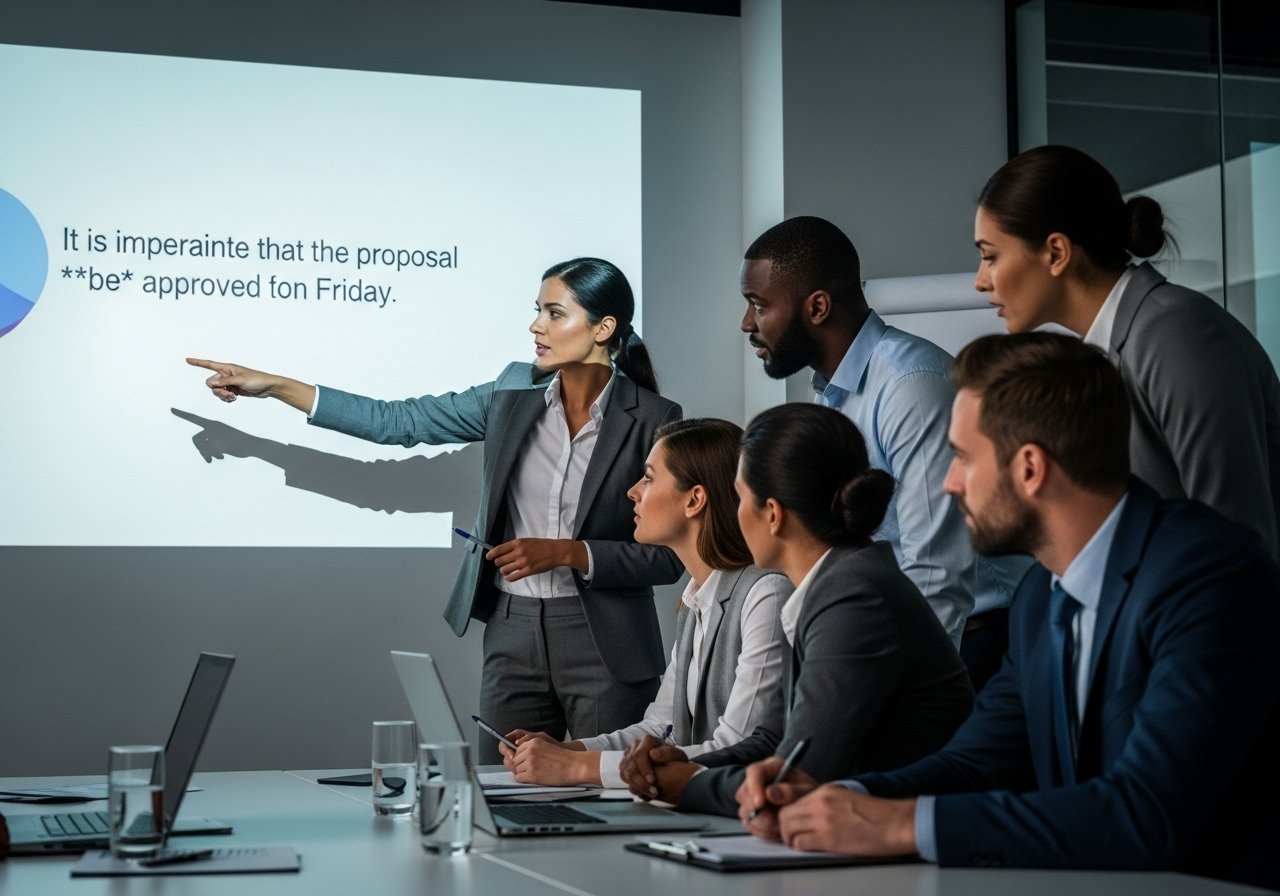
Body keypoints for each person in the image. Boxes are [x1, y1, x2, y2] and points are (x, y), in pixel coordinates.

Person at [747, 333, 1280, 890]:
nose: (949, 483)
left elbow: (1146, 813)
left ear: (1029, 469)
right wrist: (839, 796)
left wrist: (900, 824)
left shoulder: (1210, 577)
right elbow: (974, 765)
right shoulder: (1038, 597)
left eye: (961, 457)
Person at [187, 257, 685, 763]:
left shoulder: (653, 418)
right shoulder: (510, 392)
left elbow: (669, 559)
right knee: (499, 787)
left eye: (555, 313)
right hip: (512, 632)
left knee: (603, 790)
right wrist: (274, 386)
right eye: (538, 311)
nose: (535, 325)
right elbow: (396, 422)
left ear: (603, 328)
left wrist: (571, 553)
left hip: (605, 641)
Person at [630, 403, 974, 816]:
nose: (733, 514)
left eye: (739, 497)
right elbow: (770, 740)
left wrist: (688, 785)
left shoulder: (852, 595)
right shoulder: (832, 583)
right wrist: (678, 768)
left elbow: (800, 771)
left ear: (773, 515)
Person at [741, 216, 1031, 692]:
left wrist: (902, 692)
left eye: (758, 305)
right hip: (911, 636)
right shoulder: (833, 391)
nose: (748, 323)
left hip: (974, 645)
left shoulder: (910, 386)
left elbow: (938, 571)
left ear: (817, 307)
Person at [975, 144, 1280, 558]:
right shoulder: (1108, 349)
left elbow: (1237, 546)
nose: (980, 280)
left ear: (1057, 253)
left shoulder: (1176, 336)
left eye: (990, 257)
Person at [495, 418, 791, 788]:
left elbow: (738, 748)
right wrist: (570, 750)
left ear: (694, 500)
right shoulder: (697, 601)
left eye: (648, 478)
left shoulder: (765, 594)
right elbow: (661, 729)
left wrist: (577, 769)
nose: (633, 492)